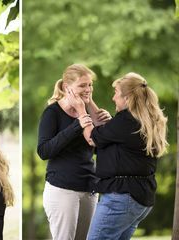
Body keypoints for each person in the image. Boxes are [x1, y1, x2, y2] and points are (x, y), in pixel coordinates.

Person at [71, 72, 168, 239]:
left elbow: (92, 138)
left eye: (116, 93)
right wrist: (89, 102)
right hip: (139, 197)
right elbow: (107, 132)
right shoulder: (142, 119)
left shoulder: (126, 120)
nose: (113, 98)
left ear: (127, 98)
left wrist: (81, 109)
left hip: (121, 198)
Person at [37, 63, 112, 240]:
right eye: (82, 85)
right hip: (62, 190)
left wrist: (108, 126)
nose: (88, 89)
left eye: (90, 84)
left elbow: (99, 148)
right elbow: (43, 151)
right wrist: (76, 125)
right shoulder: (52, 113)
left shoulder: (87, 111)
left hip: (89, 189)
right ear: (66, 87)